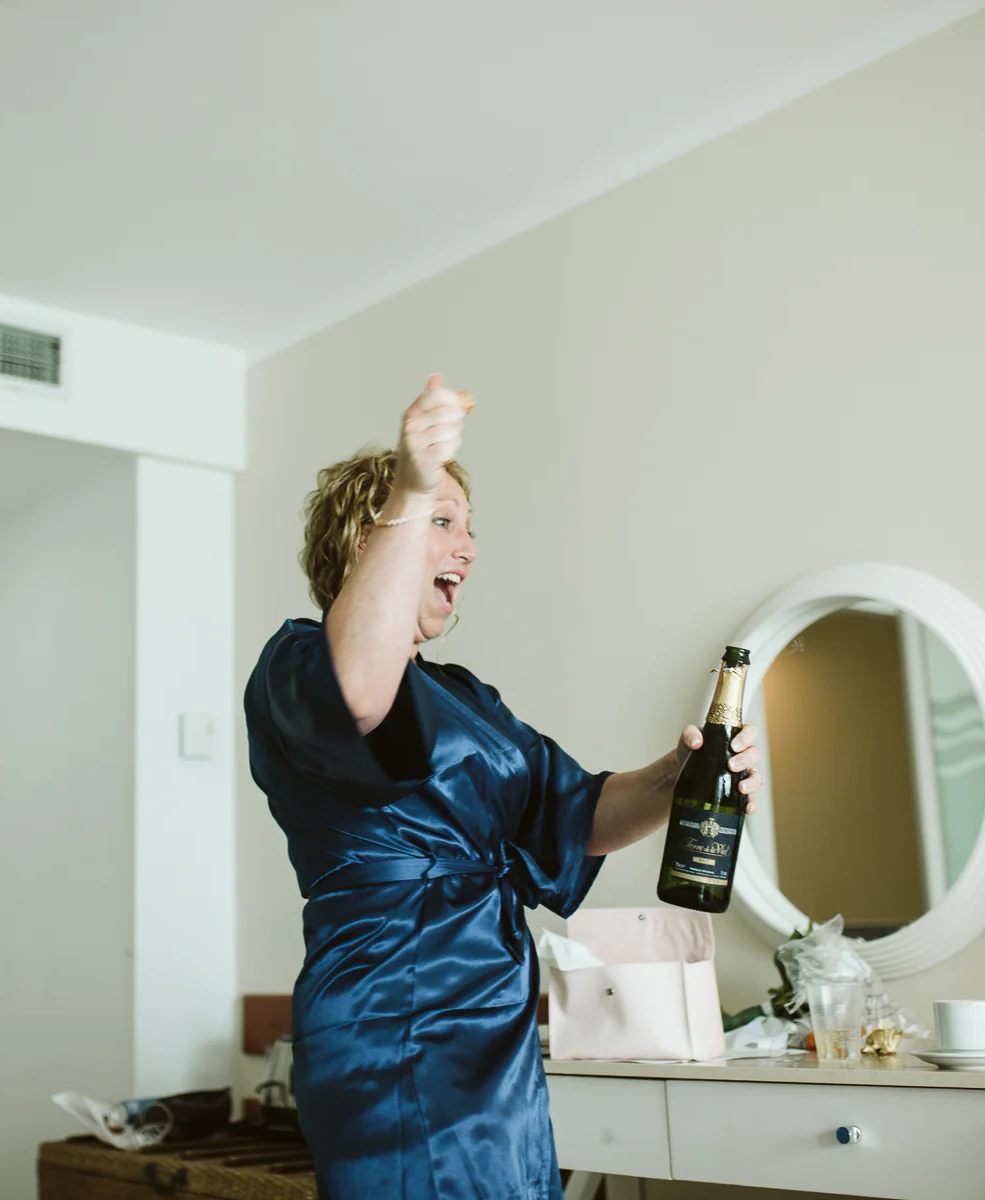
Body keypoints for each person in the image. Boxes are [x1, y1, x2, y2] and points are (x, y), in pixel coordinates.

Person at [242, 375, 764, 1198]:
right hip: (392, 998)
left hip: (493, 1002)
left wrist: (680, 774)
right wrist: (414, 485)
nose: (470, 548)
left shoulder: (465, 697)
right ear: (369, 538)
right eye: (444, 522)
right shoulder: (297, 662)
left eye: (467, 526)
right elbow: (360, 695)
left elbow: (578, 815)